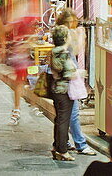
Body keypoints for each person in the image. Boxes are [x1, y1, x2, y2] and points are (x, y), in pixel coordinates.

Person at [56, 7, 96, 156]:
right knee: (72, 113)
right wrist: (81, 36)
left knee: (63, 115)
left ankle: (62, 143)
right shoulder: (65, 35)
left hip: (62, 83)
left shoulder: (59, 34)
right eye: (74, 21)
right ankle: (80, 144)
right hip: (66, 82)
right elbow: (76, 51)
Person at [5, 0, 39, 125]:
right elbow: (7, 29)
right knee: (20, 82)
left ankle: (31, 105)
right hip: (21, 56)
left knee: (32, 80)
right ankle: (17, 109)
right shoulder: (21, 19)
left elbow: (35, 33)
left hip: (29, 54)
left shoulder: (29, 18)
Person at [50, 23, 78, 162]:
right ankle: (62, 151)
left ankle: (57, 147)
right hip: (64, 90)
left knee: (59, 119)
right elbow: (70, 73)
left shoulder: (55, 51)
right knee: (63, 121)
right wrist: (79, 72)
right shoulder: (64, 54)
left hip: (56, 89)